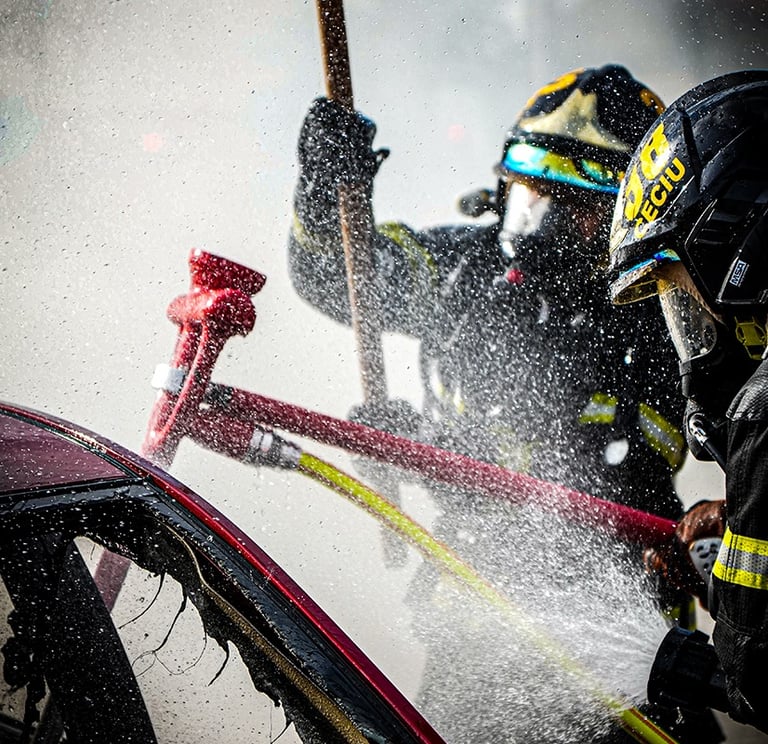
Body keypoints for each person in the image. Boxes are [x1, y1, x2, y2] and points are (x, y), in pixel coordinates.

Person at [288, 65, 715, 742]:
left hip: (632, 644)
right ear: (503, 183)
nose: (539, 225)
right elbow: (331, 275)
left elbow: (577, 476)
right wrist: (323, 184)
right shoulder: (464, 268)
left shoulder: (666, 308)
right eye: (530, 191)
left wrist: (426, 445)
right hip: (473, 627)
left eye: (572, 204)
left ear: (627, 214)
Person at [607, 69, 768, 734]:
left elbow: (761, 681)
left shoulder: (763, 412)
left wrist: (681, 662)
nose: (694, 335)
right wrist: (739, 527)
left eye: (683, 294)